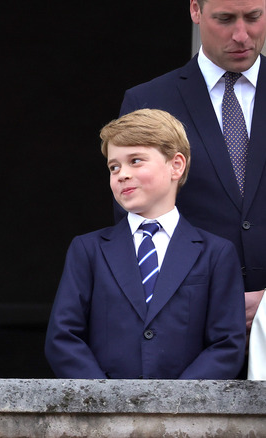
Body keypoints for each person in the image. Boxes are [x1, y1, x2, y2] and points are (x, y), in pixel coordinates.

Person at [45, 109, 245, 379]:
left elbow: (226, 344)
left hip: (184, 415)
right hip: (105, 413)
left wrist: (176, 402)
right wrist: (106, 401)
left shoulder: (216, 253)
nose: (122, 174)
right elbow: (63, 337)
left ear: (176, 165)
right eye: (114, 167)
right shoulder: (88, 249)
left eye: (135, 160)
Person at [119, 0, 266, 349]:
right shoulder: (149, 101)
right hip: (188, 333)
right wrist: (211, 301)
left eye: (254, 17)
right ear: (195, 11)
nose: (242, 34)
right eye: (225, 19)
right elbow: (138, 227)